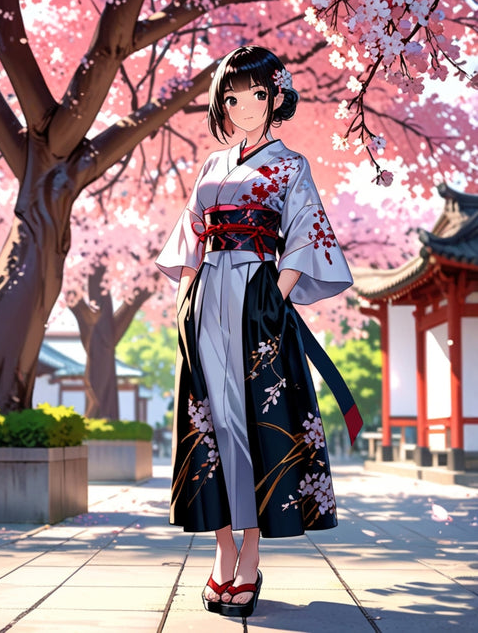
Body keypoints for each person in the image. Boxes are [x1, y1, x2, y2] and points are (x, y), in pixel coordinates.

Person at [156, 46, 362, 618]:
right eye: (230, 96)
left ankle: (249, 556)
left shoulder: (291, 165)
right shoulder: (210, 166)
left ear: (276, 98)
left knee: (250, 419)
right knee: (209, 420)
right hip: (204, 298)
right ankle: (221, 550)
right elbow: (190, 239)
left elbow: (303, 236)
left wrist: (277, 294)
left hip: (256, 294)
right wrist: (182, 300)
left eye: (254, 95)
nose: (241, 106)